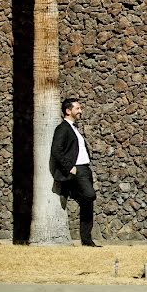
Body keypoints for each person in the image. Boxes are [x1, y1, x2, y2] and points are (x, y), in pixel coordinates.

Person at [50, 98, 100, 247]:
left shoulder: (74, 128)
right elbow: (56, 150)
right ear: (68, 110)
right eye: (77, 108)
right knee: (89, 195)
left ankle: (87, 240)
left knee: (88, 203)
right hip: (77, 169)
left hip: (85, 168)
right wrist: (69, 167)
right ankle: (70, 190)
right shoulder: (63, 128)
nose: (80, 111)